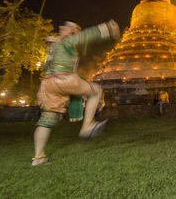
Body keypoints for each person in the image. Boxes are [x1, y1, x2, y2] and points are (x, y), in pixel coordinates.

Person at [31, 20, 120, 166]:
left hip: (48, 83)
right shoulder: (67, 40)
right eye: (75, 28)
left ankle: (38, 157)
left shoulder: (53, 46)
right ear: (67, 29)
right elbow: (86, 36)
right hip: (64, 78)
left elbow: (48, 65)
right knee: (96, 91)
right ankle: (87, 126)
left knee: (47, 119)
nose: (78, 31)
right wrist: (107, 28)